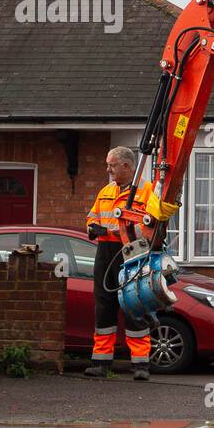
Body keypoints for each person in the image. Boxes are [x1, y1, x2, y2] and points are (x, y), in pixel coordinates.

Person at [82, 147, 177, 380]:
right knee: (103, 306)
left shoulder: (147, 192)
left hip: (132, 254)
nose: (108, 169)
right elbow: (92, 217)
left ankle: (141, 365)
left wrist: (119, 230)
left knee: (135, 304)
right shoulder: (106, 191)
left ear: (126, 166)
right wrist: (92, 228)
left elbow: (149, 226)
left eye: (112, 165)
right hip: (105, 253)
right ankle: (101, 362)